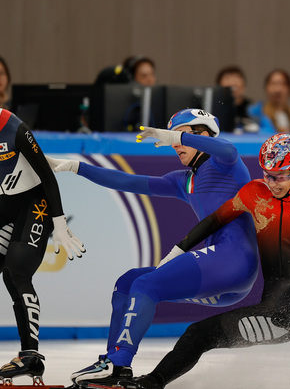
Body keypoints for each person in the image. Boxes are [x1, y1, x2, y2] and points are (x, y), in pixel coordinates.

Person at [78, 133, 290, 389]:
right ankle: (149, 384)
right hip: (272, 311)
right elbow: (214, 221)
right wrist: (177, 251)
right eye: (268, 175)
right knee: (197, 334)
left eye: (281, 177)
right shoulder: (253, 192)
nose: (273, 183)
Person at [46, 109, 258, 385]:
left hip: (236, 261)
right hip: (225, 281)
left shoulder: (224, 165)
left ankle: (120, 362)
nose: (175, 144)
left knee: (147, 285)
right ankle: (113, 361)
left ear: (203, 135)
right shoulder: (183, 181)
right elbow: (128, 182)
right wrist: (77, 167)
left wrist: (176, 134)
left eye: (182, 136)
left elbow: (228, 148)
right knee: (129, 281)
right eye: (173, 138)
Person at [0, 78, 85, 384]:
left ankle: (31, 357)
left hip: (36, 202)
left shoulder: (12, 124)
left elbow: (47, 176)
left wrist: (59, 223)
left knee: (16, 272)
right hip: (7, 205)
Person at [248, 69, 290, 133]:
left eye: (283, 84)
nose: (278, 89)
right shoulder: (258, 114)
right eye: (274, 84)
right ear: (266, 87)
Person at [215, 65, 258, 133]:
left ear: (244, 86)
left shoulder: (253, 109)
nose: (232, 82)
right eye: (228, 78)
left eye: (237, 78)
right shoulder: (213, 110)